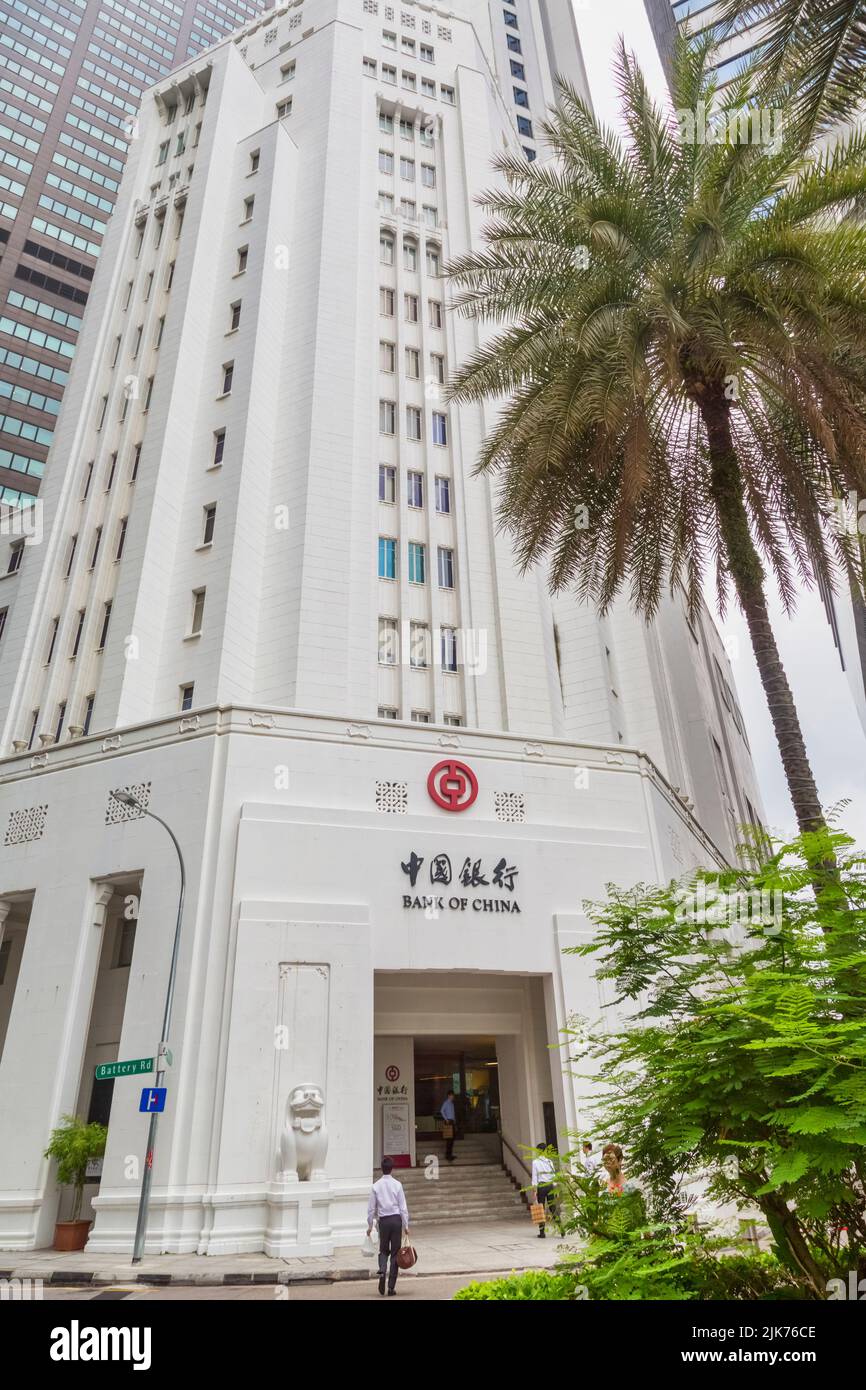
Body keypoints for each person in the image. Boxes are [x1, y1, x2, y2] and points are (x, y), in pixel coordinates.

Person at [367, 1156, 410, 1296]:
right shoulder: (397, 1185)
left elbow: (371, 1209)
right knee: (395, 1254)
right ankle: (391, 1287)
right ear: (392, 1168)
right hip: (396, 1220)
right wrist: (406, 1225)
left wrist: (369, 1225)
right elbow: (403, 1207)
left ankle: (382, 1269)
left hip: (383, 1221)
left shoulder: (376, 1186)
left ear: (381, 1168)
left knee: (383, 1250)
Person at [530, 1142, 557, 1238]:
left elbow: (534, 1177)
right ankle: (561, 1228)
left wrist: (534, 1190)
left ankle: (542, 1233)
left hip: (541, 1187)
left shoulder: (535, 1162)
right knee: (552, 1207)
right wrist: (555, 1188)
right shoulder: (550, 1162)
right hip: (550, 1186)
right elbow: (554, 1176)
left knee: (541, 1209)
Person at [440, 1090, 457, 1162]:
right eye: (452, 1095)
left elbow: (453, 1113)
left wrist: (455, 1121)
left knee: (452, 1139)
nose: (453, 1097)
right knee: (449, 1139)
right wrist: (446, 1119)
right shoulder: (446, 1103)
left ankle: (450, 1154)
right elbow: (441, 1111)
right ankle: (448, 1155)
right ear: (449, 1095)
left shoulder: (452, 1104)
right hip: (448, 1121)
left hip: (452, 1121)